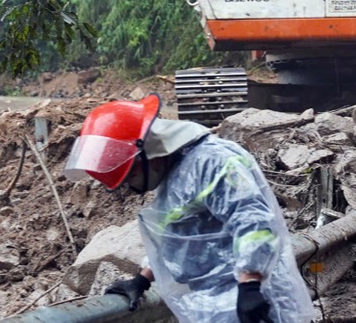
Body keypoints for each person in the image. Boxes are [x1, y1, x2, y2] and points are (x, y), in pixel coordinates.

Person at [64, 94, 314, 323]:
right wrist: (142, 279)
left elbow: (252, 220)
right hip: (217, 305)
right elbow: (180, 237)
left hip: (254, 302)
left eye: (131, 175)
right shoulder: (175, 175)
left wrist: (250, 283)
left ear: (147, 151)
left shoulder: (213, 161)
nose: (131, 183)